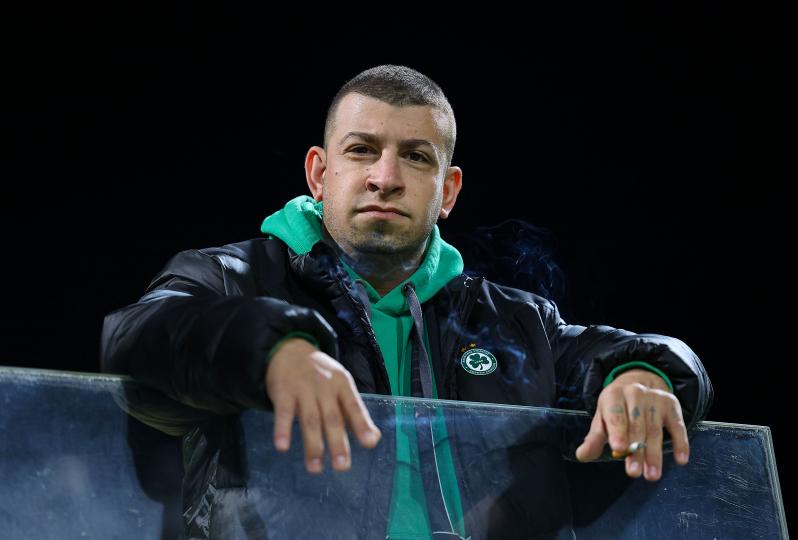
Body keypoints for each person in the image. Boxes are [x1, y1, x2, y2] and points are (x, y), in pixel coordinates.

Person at [101, 65, 713, 539]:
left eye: (416, 157)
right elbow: (138, 335)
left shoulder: (515, 322)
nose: (385, 177)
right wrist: (269, 348)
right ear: (319, 173)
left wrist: (644, 374)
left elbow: (645, 355)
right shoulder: (231, 278)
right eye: (361, 149)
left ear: (448, 191)